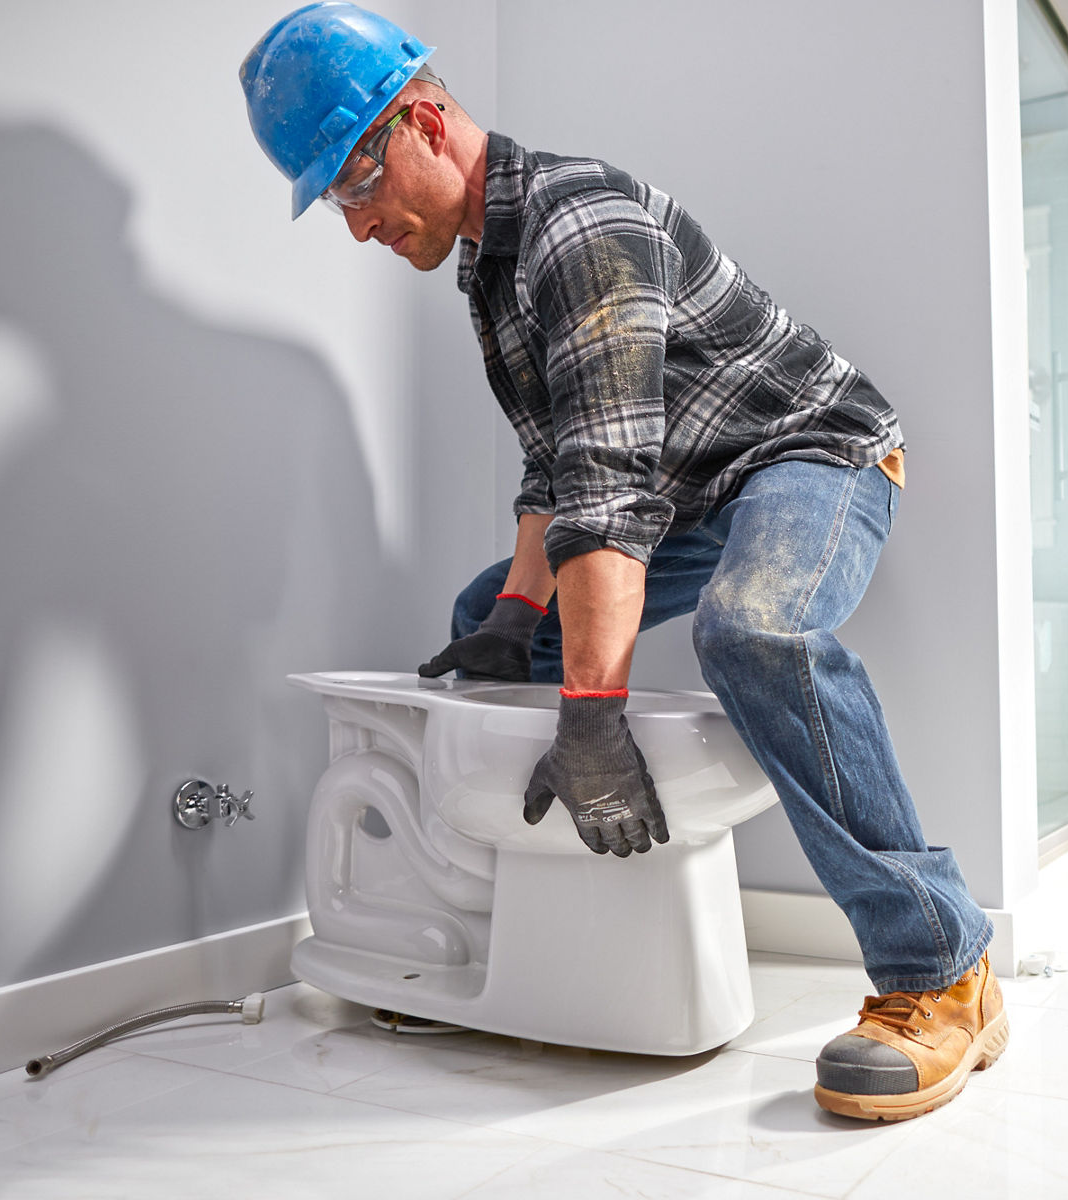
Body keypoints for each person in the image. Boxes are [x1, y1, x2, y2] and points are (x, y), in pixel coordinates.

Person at [241, 2, 1006, 1120]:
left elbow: (607, 494)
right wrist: (514, 612)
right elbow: (556, 470)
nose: (357, 226)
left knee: (753, 628)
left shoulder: (574, 228)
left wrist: (593, 715)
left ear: (422, 120)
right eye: (338, 206)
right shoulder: (486, 271)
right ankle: (487, 931)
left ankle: (941, 966)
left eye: (357, 189)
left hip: (813, 455)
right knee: (481, 624)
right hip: (686, 488)